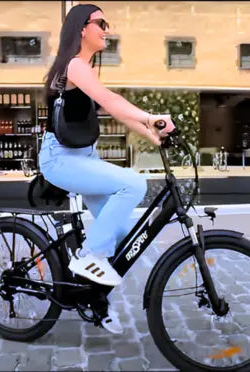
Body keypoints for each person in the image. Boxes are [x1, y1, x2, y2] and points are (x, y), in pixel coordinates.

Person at [38, 4, 175, 333]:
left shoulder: (83, 68)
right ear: (81, 29)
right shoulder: (74, 66)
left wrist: (152, 134)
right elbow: (111, 99)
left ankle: (94, 299)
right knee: (134, 185)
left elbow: (115, 111)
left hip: (83, 157)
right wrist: (151, 116)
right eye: (101, 23)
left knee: (119, 236)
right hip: (61, 159)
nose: (107, 29)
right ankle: (88, 258)